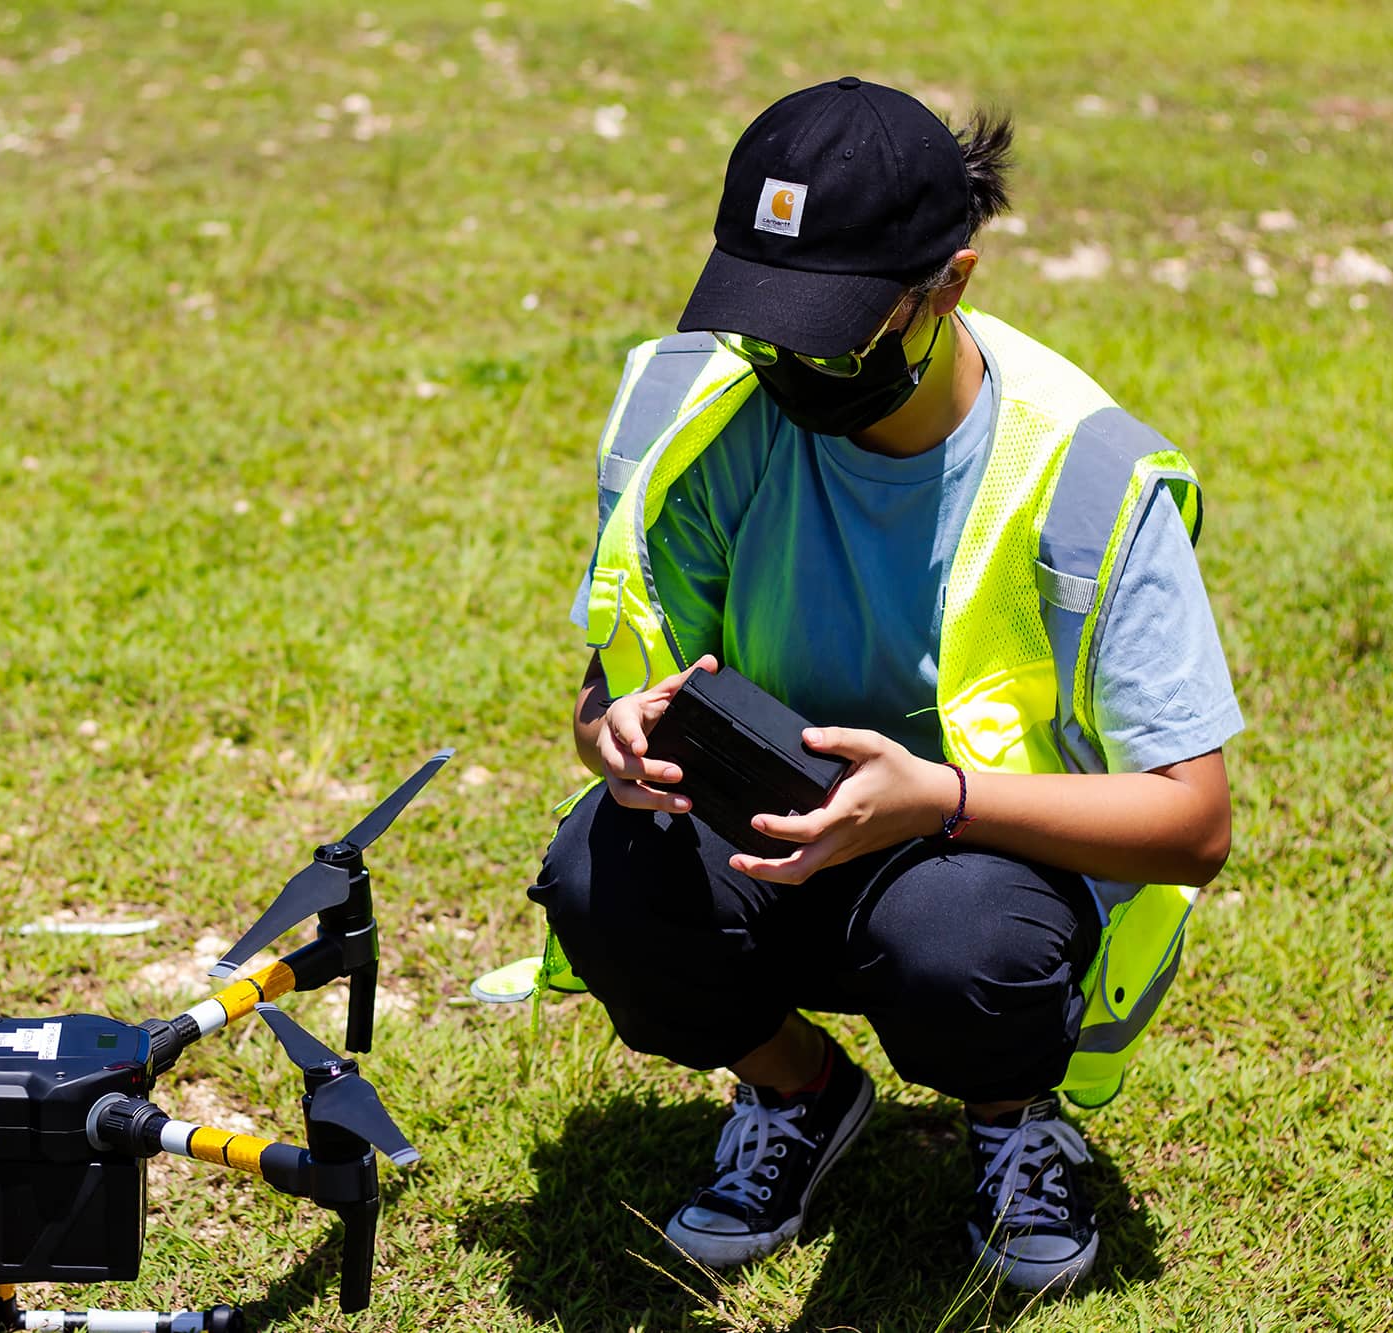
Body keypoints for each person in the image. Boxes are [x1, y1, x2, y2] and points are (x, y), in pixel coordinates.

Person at [527, 77, 1241, 1291]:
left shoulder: (1085, 473)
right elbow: (613, 675)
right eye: (767, 318)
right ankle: (797, 1093)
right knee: (596, 873)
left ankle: (1015, 1122)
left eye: (835, 323)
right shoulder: (700, 412)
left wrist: (936, 800)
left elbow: (1194, 823)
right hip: (765, 826)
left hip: (980, 865)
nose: (791, 360)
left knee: (955, 943)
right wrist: (609, 731)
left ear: (950, 283)